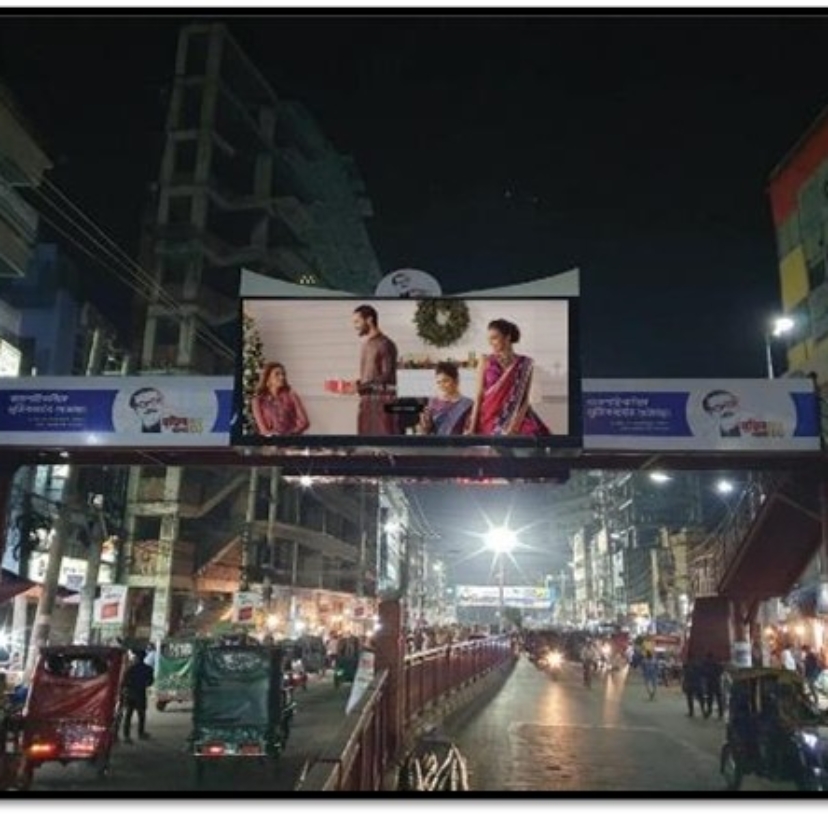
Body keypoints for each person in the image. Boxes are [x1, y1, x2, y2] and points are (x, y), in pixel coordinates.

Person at [466, 318, 551, 436]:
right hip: (489, 417)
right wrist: (472, 427)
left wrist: (514, 426)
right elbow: (479, 394)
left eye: (494, 338)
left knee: (531, 434)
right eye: (489, 339)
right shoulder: (485, 360)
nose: (490, 342)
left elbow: (525, 399)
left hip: (516, 415)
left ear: (508, 337)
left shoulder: (525, 363)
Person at [350, 304, 401, 435]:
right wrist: (356, 384)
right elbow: (370, 376)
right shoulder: (367, 344)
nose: (355, 326)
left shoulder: (386, 344)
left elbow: (387, 376)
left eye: (357, 321)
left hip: (382, 409)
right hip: (367, 406)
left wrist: (360, 387)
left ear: (369, 320)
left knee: (383, 449)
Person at [251, 361, 310, 436]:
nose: (282, 377)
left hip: (292, 441)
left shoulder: (291, 395)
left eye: (283, 374)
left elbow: (304, 422)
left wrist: (289, 435)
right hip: (271, 443)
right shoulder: (257, 401)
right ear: (268, 378)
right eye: (277, 374)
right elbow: (263, 429)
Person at [416, 361, 473, 436]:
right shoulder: (433, 402)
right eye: (438, 382)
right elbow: (426, 432)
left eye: (445, 381)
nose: (441, 385)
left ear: (456, 381)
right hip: (437, 445)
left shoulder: (467, 404)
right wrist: (424, 425)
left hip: (458, 445)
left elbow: (469, 430)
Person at [121, 649, 154, 743]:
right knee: (141, 715)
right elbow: (150, 682)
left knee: (128, 715)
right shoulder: (148, 669)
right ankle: (141, 733)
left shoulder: (130, 668)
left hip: (131, 694)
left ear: (136, 657)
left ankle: (126, 736)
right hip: (141, 693)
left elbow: (124, 682)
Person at [700, 652, 724, 719]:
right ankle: (720, 712)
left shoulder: (705, 663)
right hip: (716, 681)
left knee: (710, 698)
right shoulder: (716, 663)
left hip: (709, 682)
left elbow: (702, 671)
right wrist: (718, 675)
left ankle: (709, 711)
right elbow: (721, 670)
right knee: (718, 697)